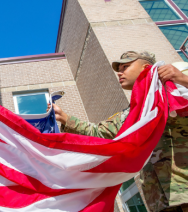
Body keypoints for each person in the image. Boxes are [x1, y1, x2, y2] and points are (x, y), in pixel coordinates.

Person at [49, 51, 188, 212]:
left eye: (126, 67)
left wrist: (183, 79)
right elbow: (100, 133)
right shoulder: (133, 114)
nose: (120, 73)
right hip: (160, 202)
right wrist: (64, 117)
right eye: (119, 69)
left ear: (145, 67)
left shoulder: (174, 89)